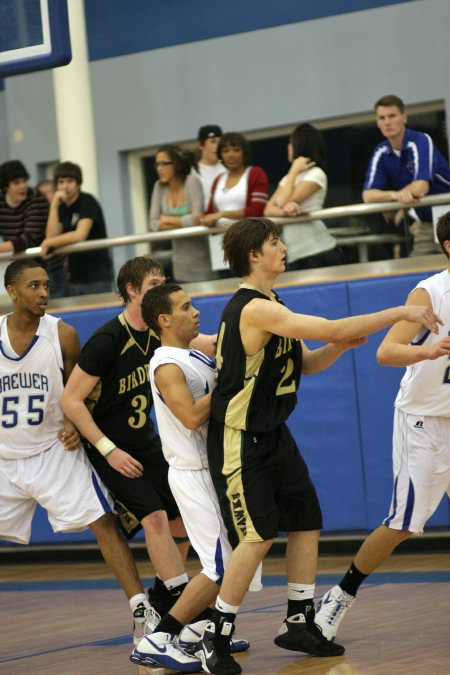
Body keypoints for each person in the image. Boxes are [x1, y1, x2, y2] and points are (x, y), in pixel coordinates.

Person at [195, 217, 442, 675]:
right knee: (258, 536)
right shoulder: (252, 307)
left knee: (307, 520)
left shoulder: (272, 302)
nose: (283, 247)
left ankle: (298, 620)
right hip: (239, 439)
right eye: (275, 242)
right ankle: (217, 636)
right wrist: (398, 313)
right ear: (255, 255)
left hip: (273, 435)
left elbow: (306, 362)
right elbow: (326, 328)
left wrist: (343, 348)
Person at [0, 258, 160, 646]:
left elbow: (81, 395)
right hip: (5, 456)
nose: (43, 293)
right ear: (12, 291)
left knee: (104, 524)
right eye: (34, 286)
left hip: (55, 451)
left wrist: (73, 425)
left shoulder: (64, 334)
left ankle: (142, 610)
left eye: (47, 286)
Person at [315, 210, 450, 642]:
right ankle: (339, 596)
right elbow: (386, 352)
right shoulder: (430, 293)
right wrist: (428, 353)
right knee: (404, 523)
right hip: (422, 422)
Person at [61, 255, 209, 638]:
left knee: (182, 519)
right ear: (131, 290)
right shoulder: (108, 340)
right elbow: (71, 401)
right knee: (155, 518)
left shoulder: (160, 329)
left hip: (147, 442)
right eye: (153, 283)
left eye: (163, 281)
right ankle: (185, 613)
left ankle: (164, 600)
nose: (161, 288)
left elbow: (208, 342)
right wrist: (108, 449)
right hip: (111, 447)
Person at [131, 283, 255, 671]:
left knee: (235, 562)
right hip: (192, 472)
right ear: (164, 320)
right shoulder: (167, 363)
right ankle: (159, 637)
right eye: (186, 307)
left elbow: (228, 342)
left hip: (215, 469)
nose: (196, 311)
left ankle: (198, 633)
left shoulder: (193, 355)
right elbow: (189, 416)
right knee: (219, 567)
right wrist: (232, 384)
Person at [362, 94, 450, 257]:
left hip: (448, 213)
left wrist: (400, 195)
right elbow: (368, 195)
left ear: (404, 118)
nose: (387, 122)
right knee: (420, 274)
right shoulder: (381, 152)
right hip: (426, 222)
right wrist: (396, 195)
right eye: (382, 117)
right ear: (378, 123)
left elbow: (421, 187)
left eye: (392, 116)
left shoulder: (420, 141)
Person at [264, 123, 341, 270]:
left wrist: (293, 170)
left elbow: (284, 201)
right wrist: (284, 212)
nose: (288, 147)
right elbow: (268, 209)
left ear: (299, 145)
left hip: (318, 250)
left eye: (291, 143)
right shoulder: (287, 179)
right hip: (294, 253)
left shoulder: (316, 174)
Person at [40, 161, 113, 296]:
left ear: (78, 183)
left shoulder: (87, 201)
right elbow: (51, 236)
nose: (65, 186)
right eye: (61, 182)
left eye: (70, 181)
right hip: (75, 276)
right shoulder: (61, 206)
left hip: (97, 276)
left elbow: (80, 234)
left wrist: (48, 243)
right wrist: (54, 205)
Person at [149, 144, 215, 283]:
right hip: (179, 263)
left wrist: (166, 218)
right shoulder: (159, 186)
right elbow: (153, 223)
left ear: (177, 164)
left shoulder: (192, 182)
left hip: (201, 261)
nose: (159, 169)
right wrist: (184, 221)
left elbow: (197, 218)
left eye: (164, 164)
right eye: (157, 164)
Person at [201, 132, 269, 228]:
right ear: (220, 155)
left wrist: (222, 214)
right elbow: (209, 213)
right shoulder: (218, 180)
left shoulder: (256, 174)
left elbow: (257, 209)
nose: (231, 155)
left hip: (249, 236)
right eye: (225, 151)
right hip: (219, 239)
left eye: (236, 150)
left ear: (244, 153)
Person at [0, 160, 48, 254]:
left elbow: (29, 239)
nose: (22, 186)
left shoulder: (37, 199)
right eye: (16, 183)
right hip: (16, 260)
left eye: (24, 181)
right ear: (6, 186)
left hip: (43, 261)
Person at [192, 125, 224, 209]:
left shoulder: (227, 170)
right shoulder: (193, 172)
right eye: (213, 142)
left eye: (219, 142)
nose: (217, 146)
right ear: (201, 145)